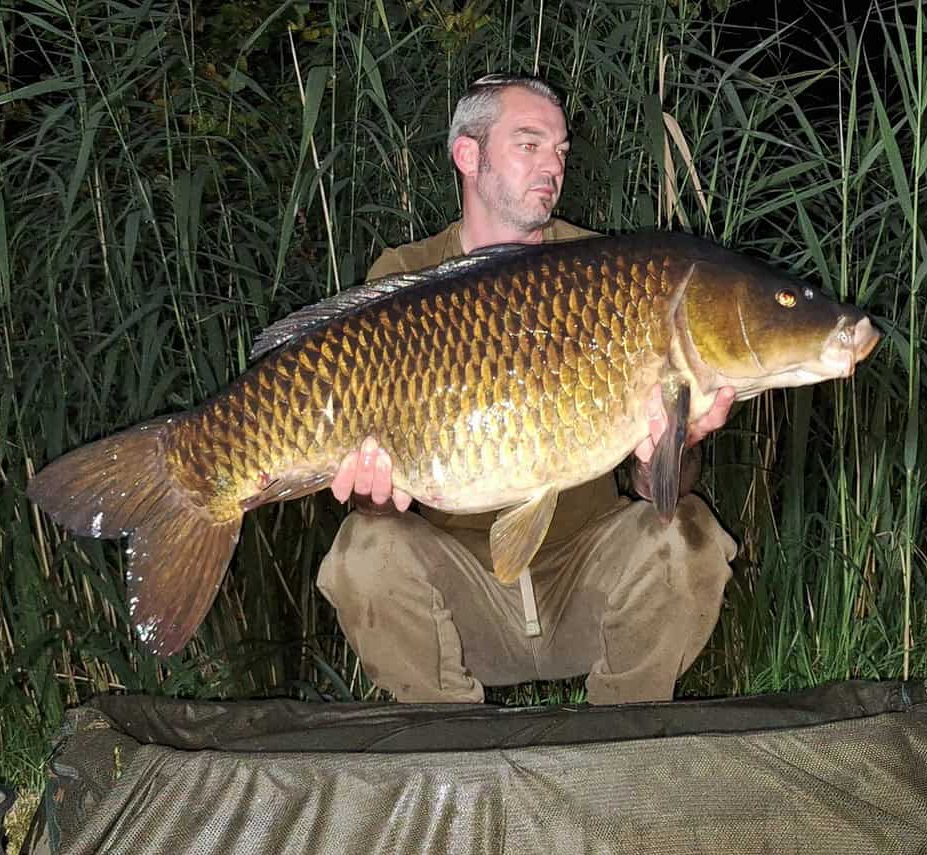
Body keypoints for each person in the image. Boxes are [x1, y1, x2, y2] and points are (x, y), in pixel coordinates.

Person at [316, 74, 738, 704]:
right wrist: (372, 494)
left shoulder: (607, 273)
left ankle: (616, 746)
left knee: (687, 540)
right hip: (462, 604)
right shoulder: (405, 277)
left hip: (586, 579)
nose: (553, 167)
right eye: (530, 145)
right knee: (365, 553)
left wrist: (678, 443)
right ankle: (455, 764)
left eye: (561, 152)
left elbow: (658, 492)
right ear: (469, 154)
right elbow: (373, 501)